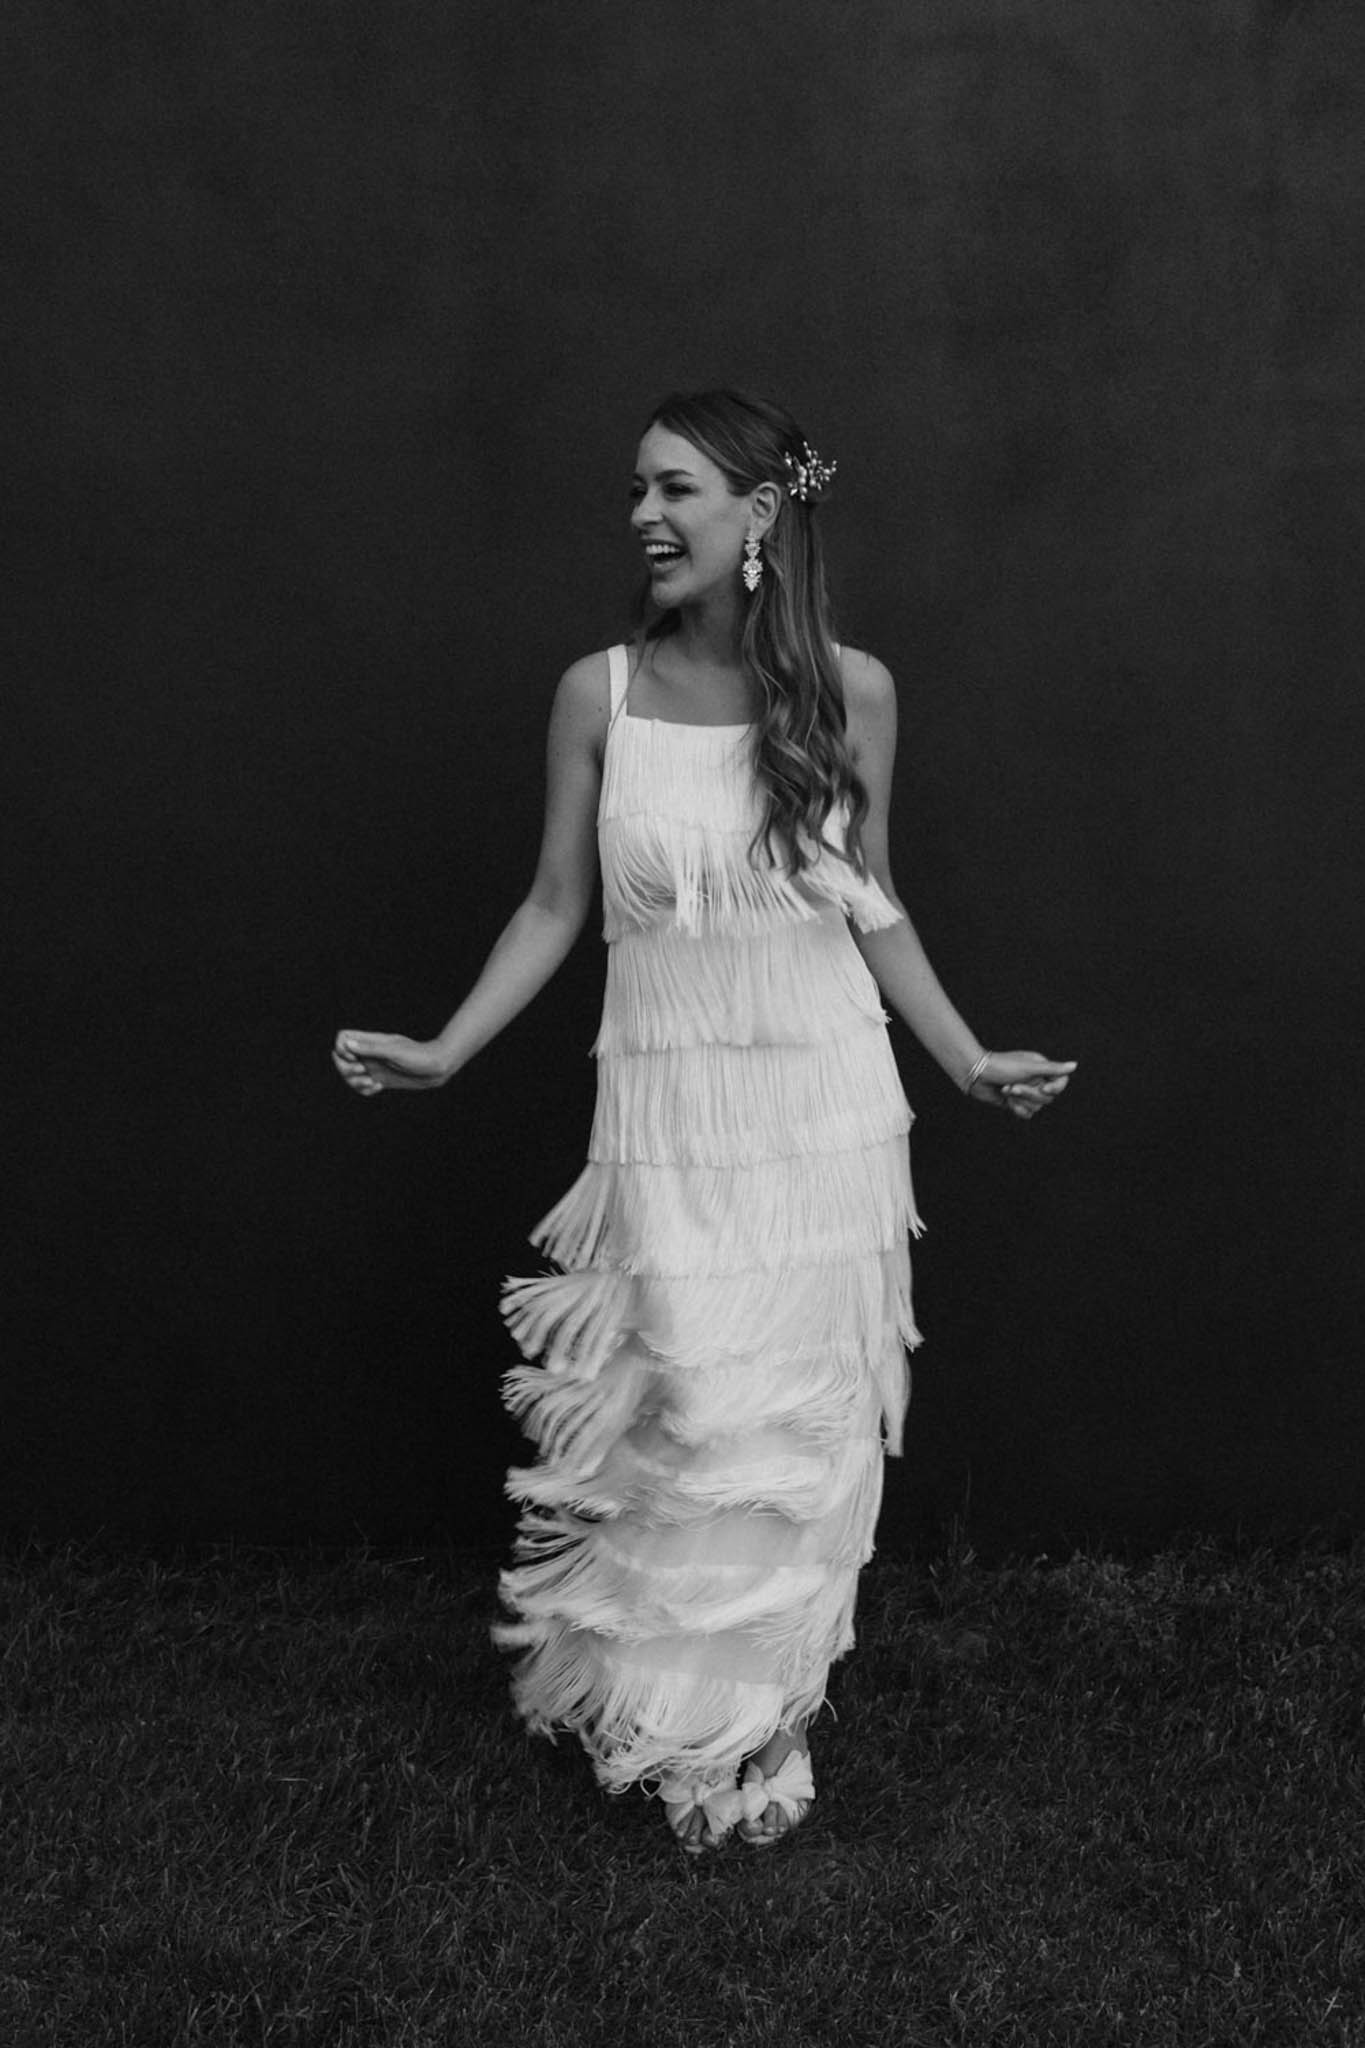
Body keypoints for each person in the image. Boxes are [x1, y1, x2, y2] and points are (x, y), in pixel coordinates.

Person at [332, 388, 1075, 1855]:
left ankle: (758, 1720)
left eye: (673, 488)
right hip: (668, 1106)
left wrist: (969, 1059)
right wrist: (446, 1048)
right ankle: (669, 1707)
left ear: (759, 516)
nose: (642, 518)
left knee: (790, 1430)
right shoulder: (593, 693)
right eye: (632, 492)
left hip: (822, 1110)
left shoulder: (850, 692)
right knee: (690, 1405)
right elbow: (557, 904)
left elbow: (873, 906)